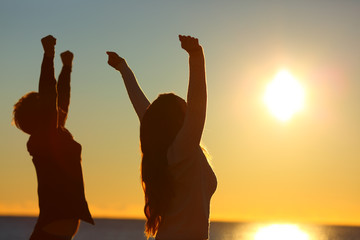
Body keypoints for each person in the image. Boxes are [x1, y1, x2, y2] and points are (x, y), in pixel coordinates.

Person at [107, 35, 217, 240]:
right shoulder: (182, 149)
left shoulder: (175, 153)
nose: (188, 108)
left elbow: (143, 109)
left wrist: (124, 69)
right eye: (184, 107)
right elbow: (198, 104)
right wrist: (195, 55)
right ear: (178, 119)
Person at [13, 35, 94, 240]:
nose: (54, 109)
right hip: (50, 231)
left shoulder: (56, 136)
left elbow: (61, 100)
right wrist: (48, 55)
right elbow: (50, 93)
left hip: (55, 230)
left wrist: (66, 67)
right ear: (40, 113)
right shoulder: (44, 140)